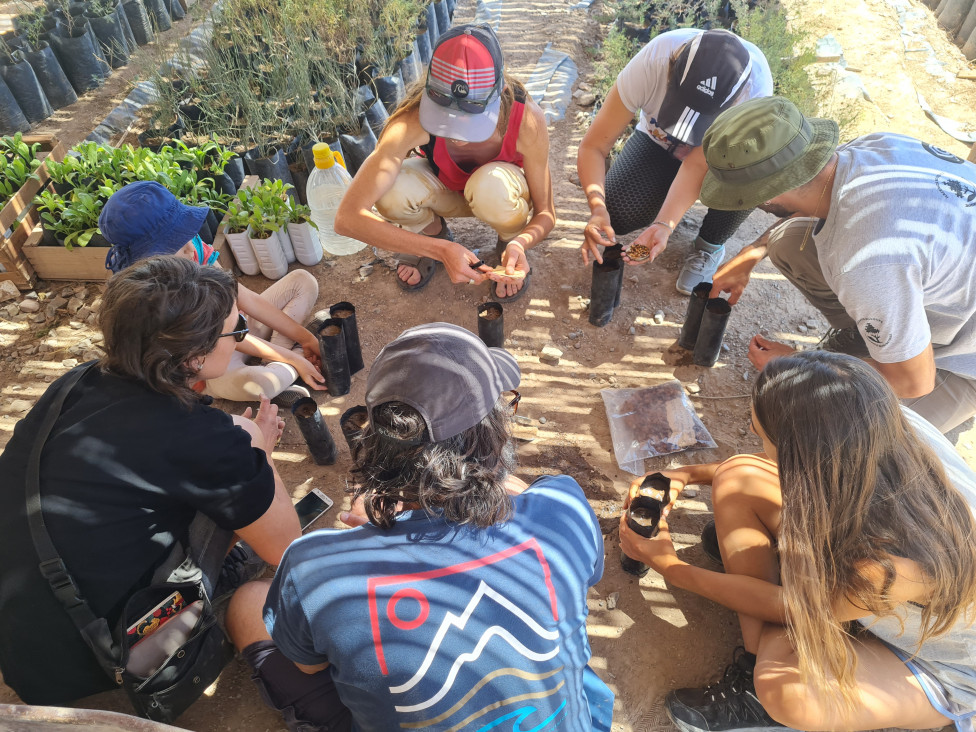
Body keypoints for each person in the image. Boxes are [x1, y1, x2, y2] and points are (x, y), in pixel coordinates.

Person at [225, 323, 614, 731]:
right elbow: (571, 560)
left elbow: (309, 667)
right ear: (494, 434)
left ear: (376, 439)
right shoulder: (563, 506)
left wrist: (368, 545)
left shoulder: (312, 569)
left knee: (248, 603)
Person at [619, 351, 976, 732]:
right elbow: (767, 467)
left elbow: (792, 608)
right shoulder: (880, 424)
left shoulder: (891, 565)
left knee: (786, 691)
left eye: (764, 436)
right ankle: (804, 606)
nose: (759, 443)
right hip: (864, 591)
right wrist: (686, 473)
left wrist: (673, 568)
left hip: (943, 667)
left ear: (803, 455)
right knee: (737, 474)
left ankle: (759, 694)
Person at [0, 256, 302, 706]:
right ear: (195, 356)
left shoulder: (75, 383)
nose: (242, 338)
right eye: (236, 331)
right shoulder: (198, 438)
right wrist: (257, 450)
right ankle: (207, 615)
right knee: (242, 452)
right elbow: (286, 546)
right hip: (113, 668)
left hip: (32, 654)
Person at [699, 95, 976, 433]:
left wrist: (798, 366)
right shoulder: (870, 148)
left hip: (962, 358)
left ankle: (944, 407)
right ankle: (883, 336)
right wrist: (751, 253)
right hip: (944, 290)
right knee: (787, 240)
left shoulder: (867, 260)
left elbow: (915, 381)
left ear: (768, 195)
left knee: (852, 439)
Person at [334, 24, 554, 302]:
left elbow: (546, 213)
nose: (458, 134)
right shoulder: (410, 120)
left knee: (491, 186)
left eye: (470, 117)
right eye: (445, 116)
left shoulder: (527, 121)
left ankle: (508, 242)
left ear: (501, 92)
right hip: (447, 191)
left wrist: (522, 243)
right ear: (429, 94)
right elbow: (347, 218)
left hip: (499, 196)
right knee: (390, 190)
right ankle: (433, 232)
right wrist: (436, 248)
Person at [577, 28, 772, 300]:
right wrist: (597, 208)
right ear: (671, 71)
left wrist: (665, 224)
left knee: (754, 172)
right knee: (617, 212)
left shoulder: (754, 96)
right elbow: (593, 146)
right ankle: (661, 199)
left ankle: (710, 244)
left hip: (717, 157)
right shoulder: (653, 61)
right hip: (658, 140)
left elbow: (696, 164)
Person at [100, 180, 325, 403]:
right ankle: (285, 365)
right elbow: (221, 337)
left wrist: (305, 337)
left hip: (236, 328)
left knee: (302, 281)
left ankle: (282, 365)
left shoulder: (192, 249)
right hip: (213, 361)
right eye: (173, 244)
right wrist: (292, 357)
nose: (189, 248)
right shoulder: (156, 296)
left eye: (184, 233)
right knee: (260, 384)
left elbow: (246, 300)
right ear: (148, 260)